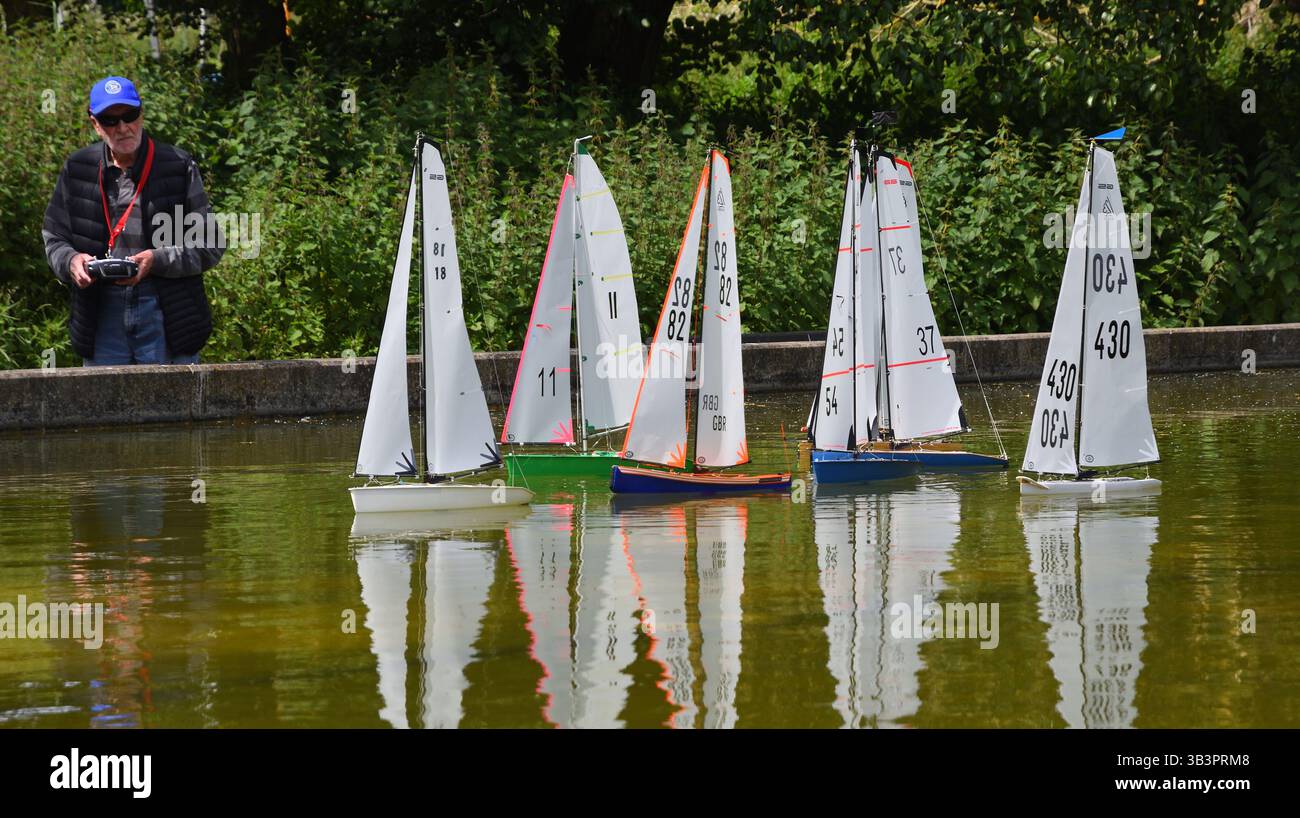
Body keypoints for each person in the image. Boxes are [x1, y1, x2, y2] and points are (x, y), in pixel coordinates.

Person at [43, 76, 224, 365]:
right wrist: (71, 261)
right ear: (95, 123)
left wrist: (158, 259)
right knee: (105, 407)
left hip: (166, 309)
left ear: (141, 113)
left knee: (170, 406)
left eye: (129, 115)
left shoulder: (178, 165)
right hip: (100, 310)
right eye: (110, 120)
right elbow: (54, 236)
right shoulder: (77, 168)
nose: (123, 127)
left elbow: (212, 245)